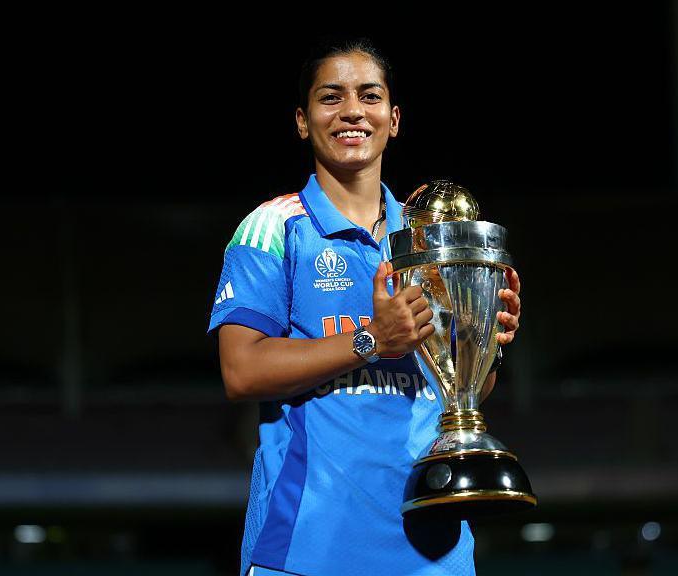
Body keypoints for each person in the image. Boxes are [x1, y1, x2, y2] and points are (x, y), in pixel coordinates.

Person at [208, 38, 522, 576]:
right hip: (308, 549)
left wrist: (483, 345)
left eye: (369, 96)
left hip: (434, 551)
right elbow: (240, 370)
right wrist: (372, 340)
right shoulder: (273, 228)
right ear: (303, 121)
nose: (352, 110)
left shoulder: (432, 237)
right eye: (331, 97)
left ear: (393, 119)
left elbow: (453, 393)